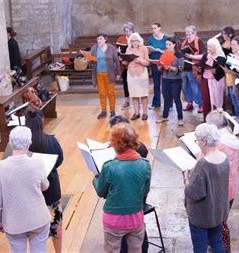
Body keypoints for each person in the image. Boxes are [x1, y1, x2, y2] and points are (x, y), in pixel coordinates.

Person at [0, 126, 51, 252]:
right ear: (29, 143)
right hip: (38, 218)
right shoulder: (38, 163)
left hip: (14, 222)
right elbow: (45, 186)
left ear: (10, 143)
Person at [92, 123, 151, 252]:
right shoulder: (145, 164)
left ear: (115, 143)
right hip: (136, 217)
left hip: (114, 220)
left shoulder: (109, 166)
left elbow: (101, 192)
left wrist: (96, 179)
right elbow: (145, 191)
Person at [183, 123, 229, 252]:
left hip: (202, 214)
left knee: (200, 248)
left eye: (197, 140)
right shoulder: (224, 157)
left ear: (203, 141)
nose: (197, 143)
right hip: (218, 211)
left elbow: (193, 193)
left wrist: (186, 178)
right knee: (217, 242)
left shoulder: (203, 164)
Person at [24, 108, 65, 253]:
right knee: (56, 225)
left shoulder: (23, 145)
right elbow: (59, 159)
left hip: (30, 189)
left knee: (34, 229)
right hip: (52, 188)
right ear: (41, 121)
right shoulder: (51, 140)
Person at [205, 110, 239, 252]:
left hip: (220, 190)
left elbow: (210, 166)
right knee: (221, 220)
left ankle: (224, 249)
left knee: (219, 223)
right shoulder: (230, 139)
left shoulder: (221, 145)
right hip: (230, 187)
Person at [91, 32, 121, 119]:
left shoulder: (111, 48)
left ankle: (112, 111)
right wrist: (88, 60)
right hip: (99, 74)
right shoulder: (94, 48)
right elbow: (91, 60)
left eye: (100, 39)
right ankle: (103, 111)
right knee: (102, 93)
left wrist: (118, 73)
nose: (98, 41)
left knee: (111, 93)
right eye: (97, 39)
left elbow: (116, 61)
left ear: (105, 39)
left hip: (110, 74)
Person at [155, 37, 185, 126]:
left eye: (169, 44)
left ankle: (180, 118)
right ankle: (165, 116)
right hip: (165, 79)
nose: (167, 46)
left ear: (174, 45)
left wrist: (170, 68)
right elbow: (160, 67)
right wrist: (160, 67)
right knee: (166, 99)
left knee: (177, 99)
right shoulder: (165, 53)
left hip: (176, 80)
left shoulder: (179, 54)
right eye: (166, 44)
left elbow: (181, 68)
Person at [125, 32, 150, 121]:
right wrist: (123, 59)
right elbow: (125, 62)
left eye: (135, 40)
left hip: (141, 73)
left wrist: (139, 60)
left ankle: (145, 113)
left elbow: (147, 62)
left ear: (139, 41)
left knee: (143, 94)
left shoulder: (144, 48)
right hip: (131, 73)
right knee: (134, 94)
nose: (134, 43)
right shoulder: (128, 49)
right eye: (132, 41)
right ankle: (136, 112)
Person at [182, 25, 206, 113]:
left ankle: (201, 104)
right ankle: (189, 103)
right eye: (186, 34)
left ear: (194, 33)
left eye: (189, 34)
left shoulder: (199, 41)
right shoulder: (185, 42)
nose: (187, 36)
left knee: (195, 87)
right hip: (185, 68)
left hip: (194, 68)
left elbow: (204, 55)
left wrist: (192, 56)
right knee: (185, 87)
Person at [148, 22, 168, 109]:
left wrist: (161, 51)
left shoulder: (166, 38)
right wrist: (150, 50)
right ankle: (156, 103)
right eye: (152, 28)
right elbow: (148, 51)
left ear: (159, 28)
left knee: (166, 84)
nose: (153, 30)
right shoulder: (151, 39)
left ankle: (168, 104)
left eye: (155, 28)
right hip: (154, 63)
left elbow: (170, 50)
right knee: (156, 84)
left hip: (164, 62)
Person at [117, 22, 135, 110]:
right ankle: (127, 101)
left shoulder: (136, 38)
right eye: (126, 31)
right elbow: (117, 50)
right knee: (125, 83)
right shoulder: (121, 39)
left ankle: (136, 101)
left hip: (134, 65)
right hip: (124, 65)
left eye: (129, 31)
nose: (127, 33)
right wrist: (120, 57)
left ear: (132, 31)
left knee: (135, 83)